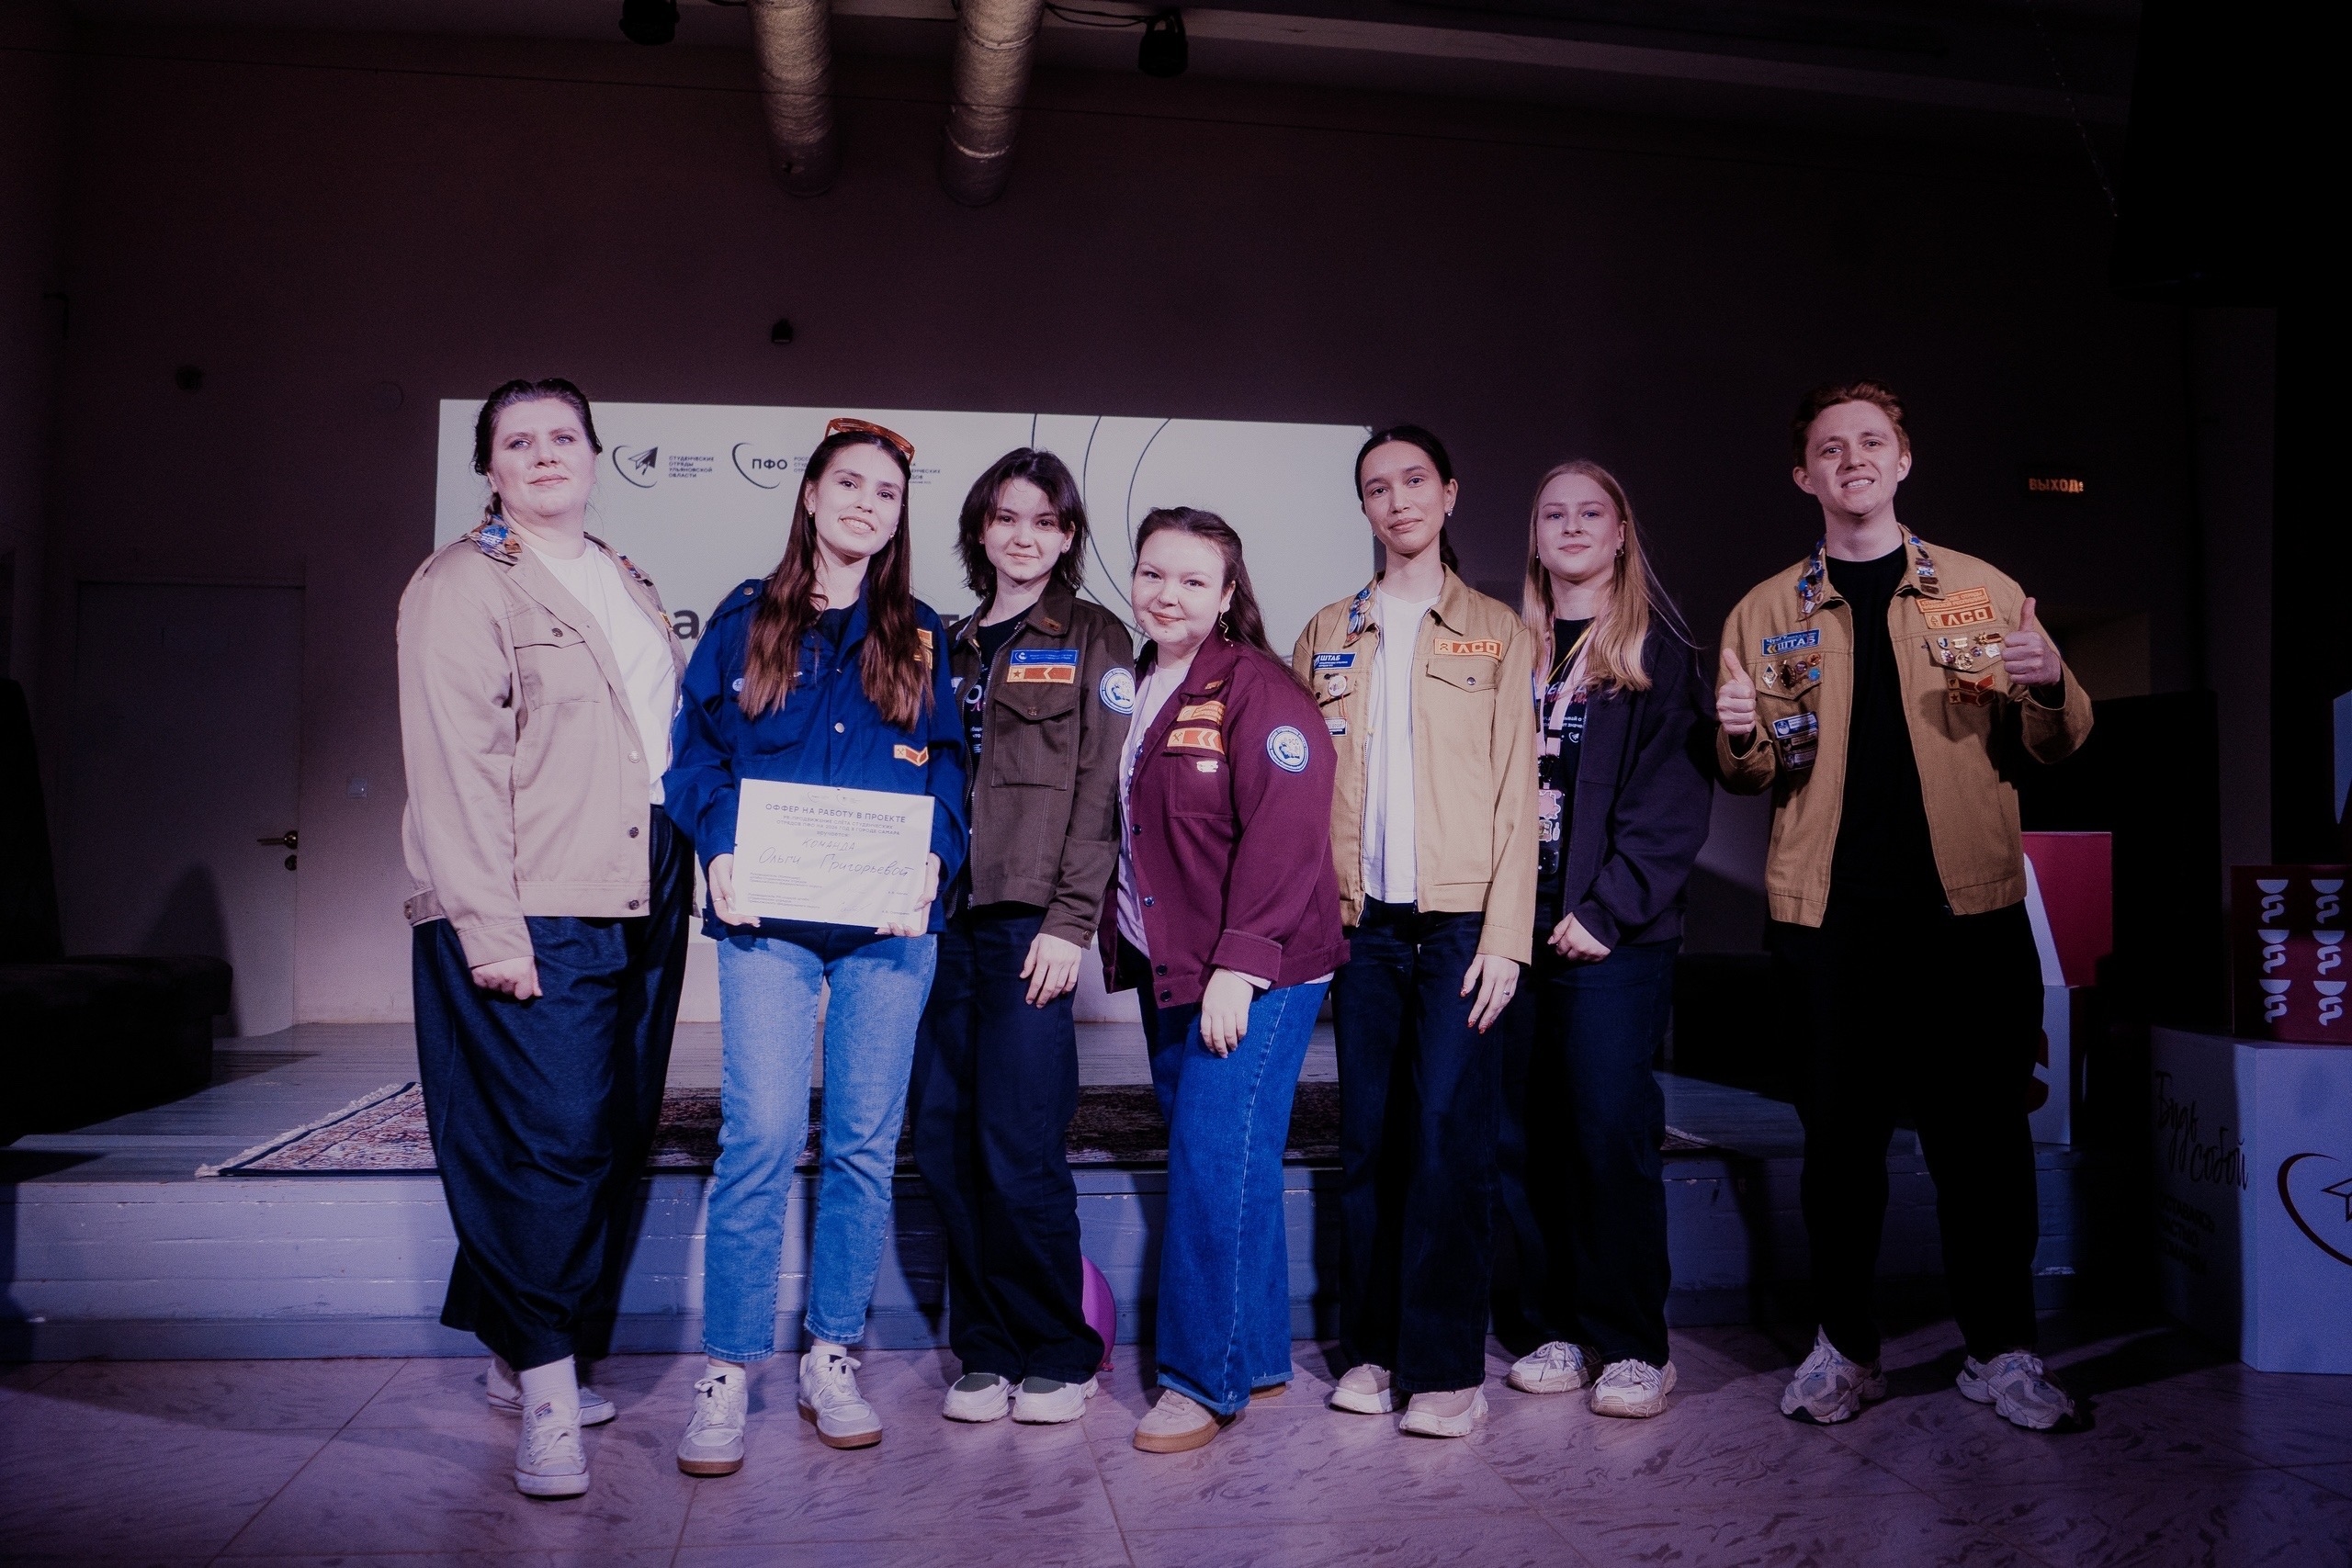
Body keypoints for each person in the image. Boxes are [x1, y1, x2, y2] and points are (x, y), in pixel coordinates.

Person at [1715, 380, 2092, 1432]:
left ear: (1903, 458)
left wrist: (2050, 680)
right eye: (1830, 448)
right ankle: (1845, 1350)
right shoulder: (1765, 611)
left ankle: (2000, 1350)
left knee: (1984, 1144)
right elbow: (1749, 773)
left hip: (1967, 915)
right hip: (1827, 920)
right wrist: (1736, 732)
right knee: (1838, 1148)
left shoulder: (1980, 588)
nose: (1853, 459)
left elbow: (2055, 742)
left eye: (1871, 441)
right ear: (1803, 474)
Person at [397, 378, 694, 1498]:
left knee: (608, 1129)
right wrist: (490, 928)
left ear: (594, 453)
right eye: (517, 441)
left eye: (562, 436)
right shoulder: (461, 584)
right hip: (535, 896)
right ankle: (551, 1394)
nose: (544, 454)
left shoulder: (622, 574)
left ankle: (514, 1352)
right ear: (489, 468)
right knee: (551, 1139)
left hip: (643, 881)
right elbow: (453, 770)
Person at [663, 419, 967, 1471]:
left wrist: (936, 856)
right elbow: (696, 757)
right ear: (809, 494)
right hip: (769, 923)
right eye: (849, 484)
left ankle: (831, 1353)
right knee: (758, 1137)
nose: (866, 505)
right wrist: (717, 847)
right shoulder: (746, 618)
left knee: (863, 1146)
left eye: (886, 493)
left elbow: (948, 767)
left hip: (888, 927)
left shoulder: (919, 633)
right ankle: (728, 1367)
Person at [1292, 425, 1537, 1438]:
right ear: (1364, 507)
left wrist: (1507, 936)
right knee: (1367, 1141)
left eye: (1413, 481)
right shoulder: (1325, 631)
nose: (1396, 501)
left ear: (1449, 493)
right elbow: (1297, 791)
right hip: (1365, 928)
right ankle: (1374, 1347)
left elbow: (1518, 793)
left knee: (1446, 1136)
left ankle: (1443, 1368)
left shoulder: (1497, 630)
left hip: (1461, 925)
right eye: (1376, 488)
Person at [1111, 507, 1346, 1454]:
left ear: (1227, 594)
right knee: (1230, 1155)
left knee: (1212, 1159)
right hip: (1172, 963)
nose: (1167, 594)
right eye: (1153, 574)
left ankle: (1200, 1382)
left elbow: (1290, 835)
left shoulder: (1259, 690)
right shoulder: (1137, 683)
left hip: (1254, 968)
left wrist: (1240, 968)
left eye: (1192, 580)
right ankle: (1253, 1355)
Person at [909, 449, 1134, 1427]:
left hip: (1029, 925)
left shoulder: (1094, 636)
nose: (1023, 536)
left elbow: (1103, 789)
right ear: (980, 529)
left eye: (1044, 520)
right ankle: (987, 1347)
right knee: (944, 1138)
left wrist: (1070, 921)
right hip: (937, 925)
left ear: (1068, 534)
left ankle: (1057, 1347)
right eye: (1005, 517)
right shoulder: (944, 642)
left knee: (1019, 1141)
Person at [1491, 461, 1713, 1419]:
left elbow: (1672, 806)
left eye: (1592, 512)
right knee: (1523, 1133)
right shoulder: (1506, 649)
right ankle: (1551, 1327)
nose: (1573, 526)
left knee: (1606, 1132)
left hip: (1610, 936)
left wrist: (1607, 908)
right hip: (1509, 928)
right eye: (1555, 514)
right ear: (1535, 536)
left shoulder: (1660, 654)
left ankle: (1630, 1343)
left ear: (1622, 533)